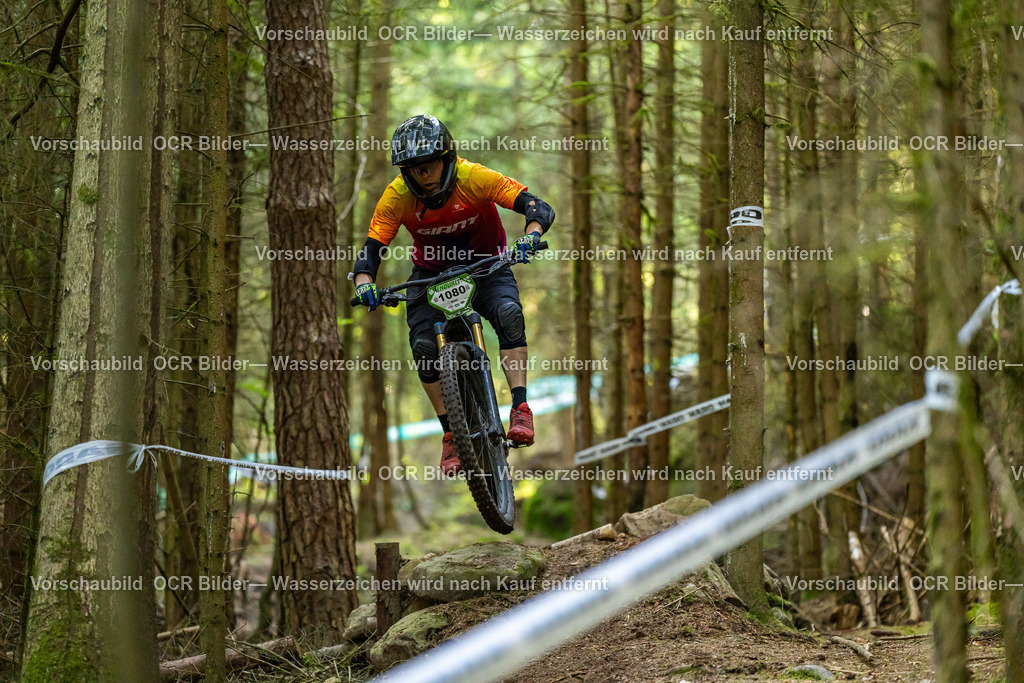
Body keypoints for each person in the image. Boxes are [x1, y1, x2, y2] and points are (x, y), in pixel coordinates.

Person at [351, 114, 555, 475]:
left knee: (508, 314)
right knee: (424, 348)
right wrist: (364, 284)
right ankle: (450, 434)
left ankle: (520, 408)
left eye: (428, 165)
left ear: (446, 158)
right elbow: (371, 250)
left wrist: (532, 235)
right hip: (431, 275)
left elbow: (535, 205)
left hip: (486, 264)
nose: (422, 176)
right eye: (412, 169)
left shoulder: (473, 177)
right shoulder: (397, 195)